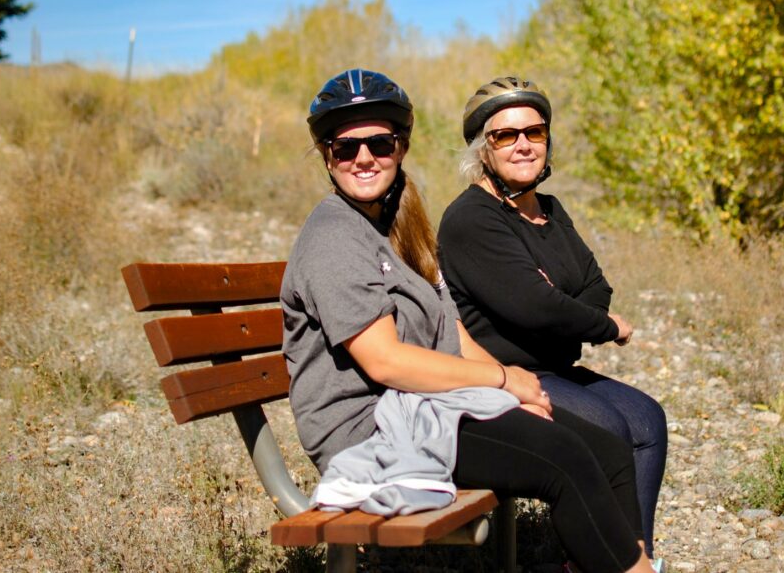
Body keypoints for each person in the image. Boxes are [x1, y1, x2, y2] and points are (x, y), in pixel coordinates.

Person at [281, 68, 656, 573]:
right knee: (565, 458)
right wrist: (504, 377)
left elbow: (451, 330)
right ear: (326, 155)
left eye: (379, 143)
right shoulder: (334, 236)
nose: (364, 158)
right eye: (345, 148)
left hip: (424, 408)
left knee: (606, 446)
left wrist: (510, 392)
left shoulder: (395, 224)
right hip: (372, 430)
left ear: (401, 147)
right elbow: (386, 361)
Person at [437, 77, 669, 566]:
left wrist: (559, 302)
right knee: (608, 426)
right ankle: (602, 558)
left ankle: (637, 556)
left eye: (535, 132)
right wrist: (604, 327)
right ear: (484, 149)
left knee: (648, 418)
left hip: (556, 366)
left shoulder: (550, 210)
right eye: (505, 135)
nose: (523, 144)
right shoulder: (472, 219)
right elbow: (535, 308)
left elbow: (596, 289)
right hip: (507, 376)